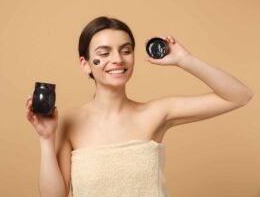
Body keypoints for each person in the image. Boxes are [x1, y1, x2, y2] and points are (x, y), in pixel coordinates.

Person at [26, 16, 253, 197]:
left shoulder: (156, 113)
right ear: (85, 64)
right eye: (104, 53)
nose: (117, 59)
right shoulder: (69, 121)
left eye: (125, 51)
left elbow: (239, 96)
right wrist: (46, 140)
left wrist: (185, 60)